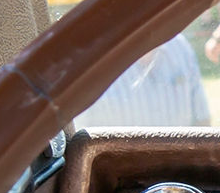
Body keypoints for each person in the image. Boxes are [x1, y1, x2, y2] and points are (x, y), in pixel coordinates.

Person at [76, 35, 210, 128]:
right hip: (115, 167)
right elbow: (79, 141)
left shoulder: (179, 47)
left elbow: (202, 120)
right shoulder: (91, 61)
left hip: (180, 165)